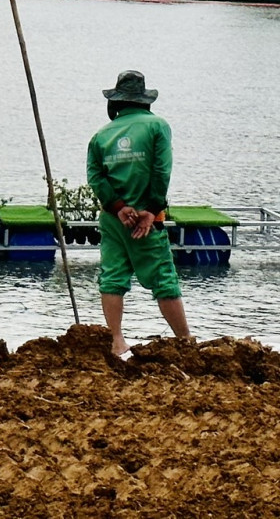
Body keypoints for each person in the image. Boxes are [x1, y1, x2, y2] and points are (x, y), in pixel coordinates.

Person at [86, 69, 189, 357]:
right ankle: (185, 340)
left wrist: (119, 208)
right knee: (163, 278)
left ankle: (117, 340)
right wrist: (151, 209)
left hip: (114, 218)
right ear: (145, 101)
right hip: (145, 220)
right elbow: (161, 171)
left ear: (117, 102)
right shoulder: (157, 127)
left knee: (112, 276)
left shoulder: (101, 135)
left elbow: (95, 177)